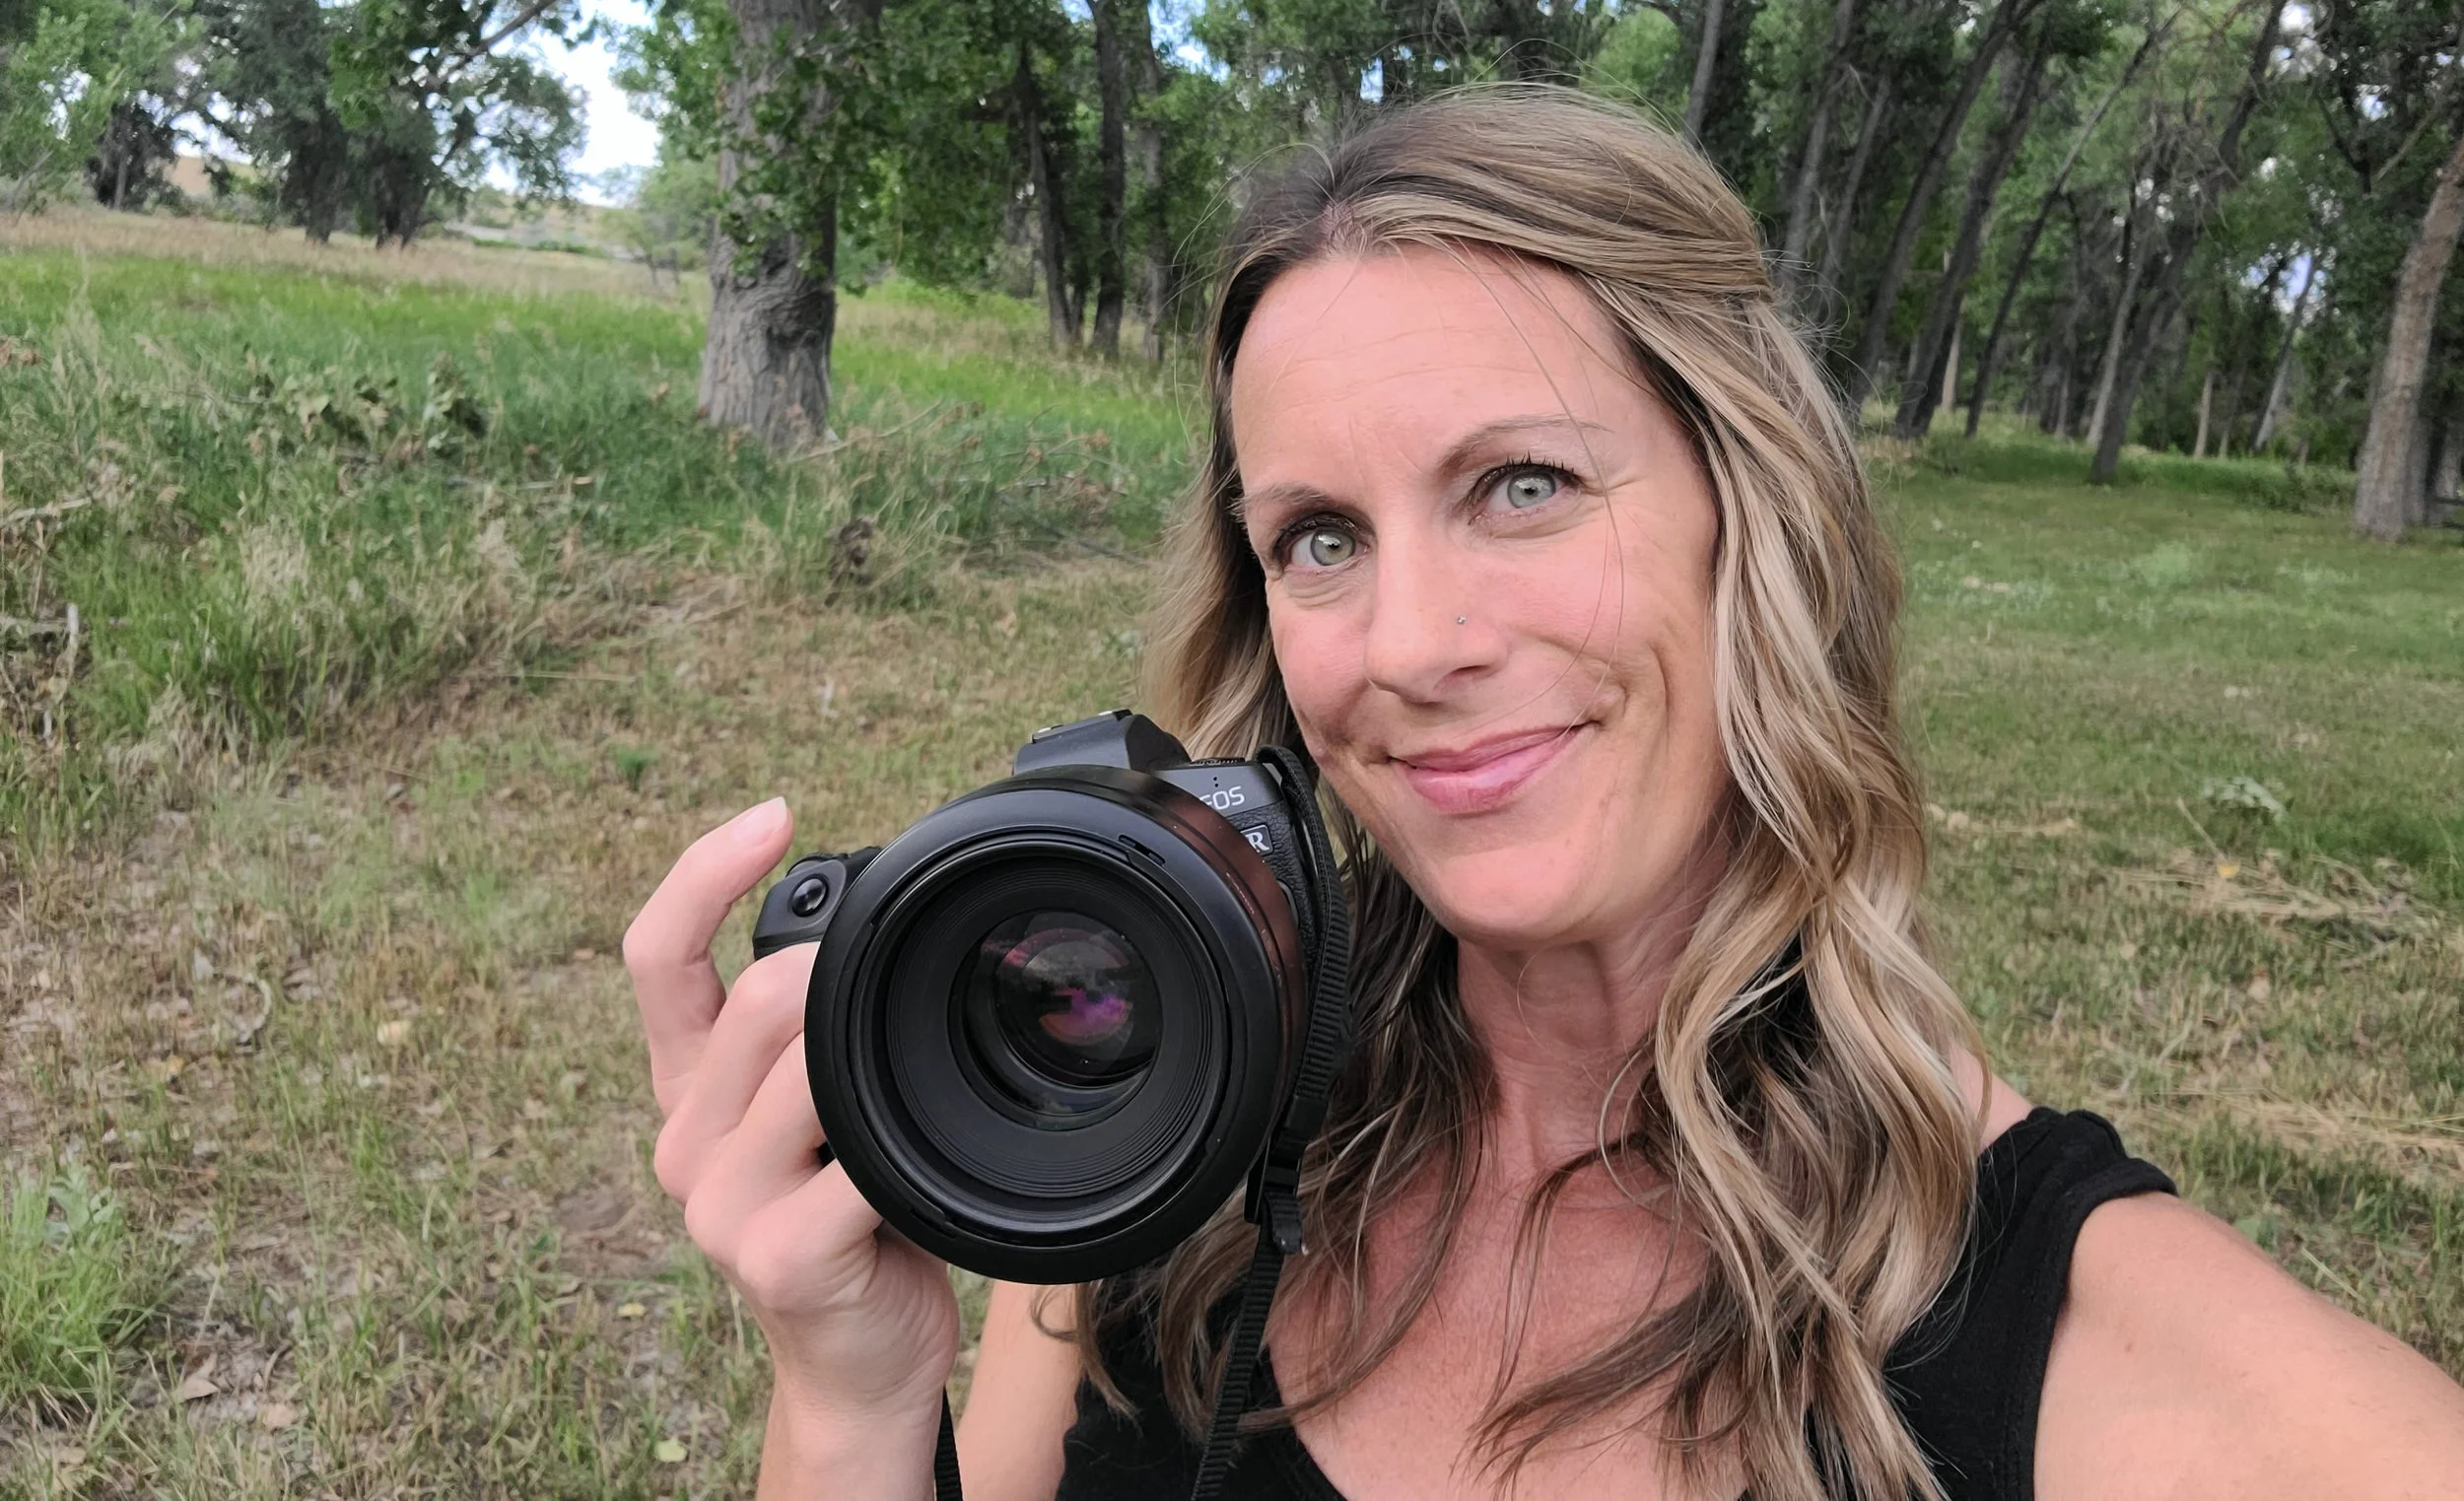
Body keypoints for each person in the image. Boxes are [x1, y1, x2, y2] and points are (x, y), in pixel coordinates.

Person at [622, 89, 2464, 1501]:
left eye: (1521, 484)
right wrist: (852, 1392)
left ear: (1759, 521)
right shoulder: (1162, 1120)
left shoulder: (2110, 1359)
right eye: (1321, 536)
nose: (1408, 641)